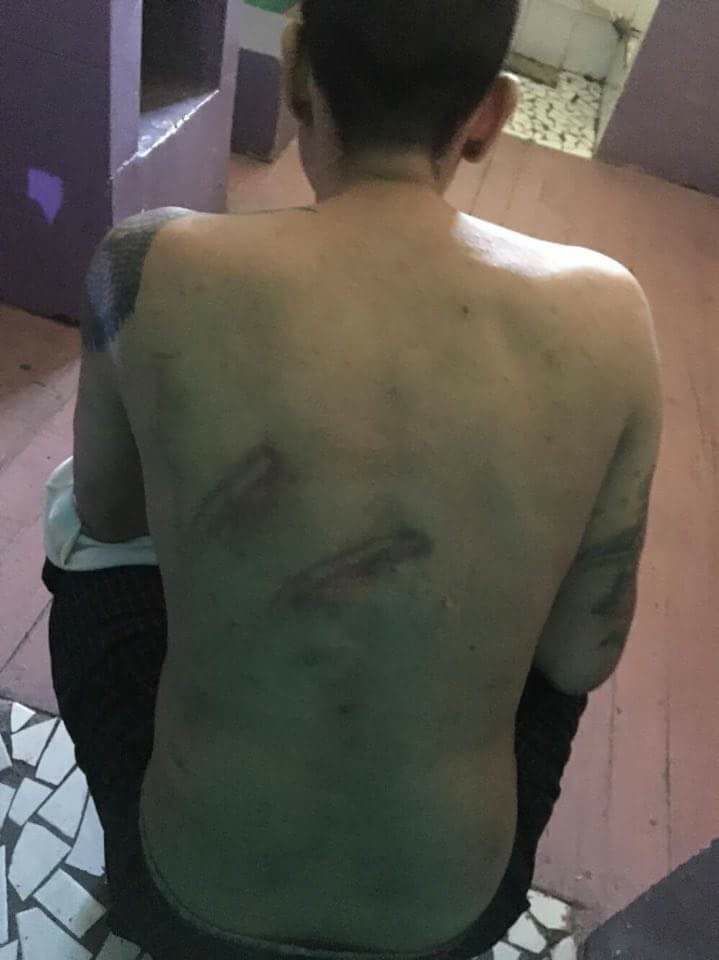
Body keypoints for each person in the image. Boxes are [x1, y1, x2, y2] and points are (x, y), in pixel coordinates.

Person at [41, 1, 664, 958]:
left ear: (295, 70)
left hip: (189, 890)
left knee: (71, 518)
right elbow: (583, 658)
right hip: (447, 915)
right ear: (491, 115)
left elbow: (108, 511)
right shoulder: (610, 317)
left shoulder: (147, 263)